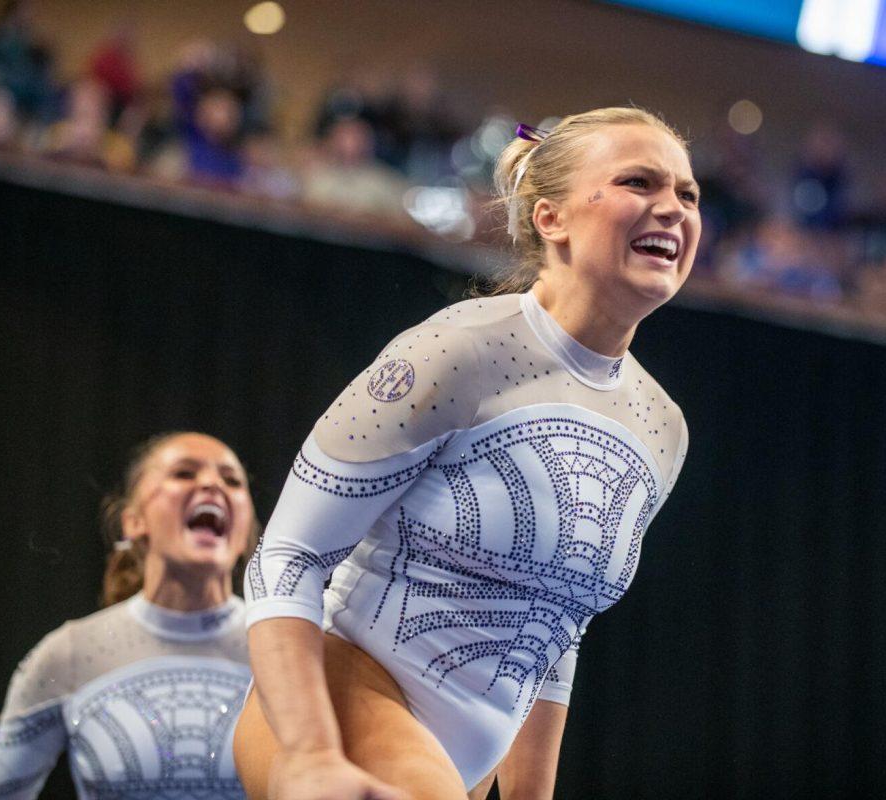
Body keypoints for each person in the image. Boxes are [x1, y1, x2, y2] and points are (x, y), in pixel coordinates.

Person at [235, 107, 696, 800]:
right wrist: (308, 752)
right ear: (551, 219)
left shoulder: (661, 428)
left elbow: (557, 625)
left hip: (459, 763)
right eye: (640, 182)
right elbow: (287, 556)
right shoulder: (462, 351)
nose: (673, 209)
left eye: (689, 195)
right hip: (340, 700)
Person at [0, 432, 258, 800]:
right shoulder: (71, 653)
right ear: (133, 521)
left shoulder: (293, 648)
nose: (213, 485)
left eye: (232, 481)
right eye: (184, 473)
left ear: (247, 526)